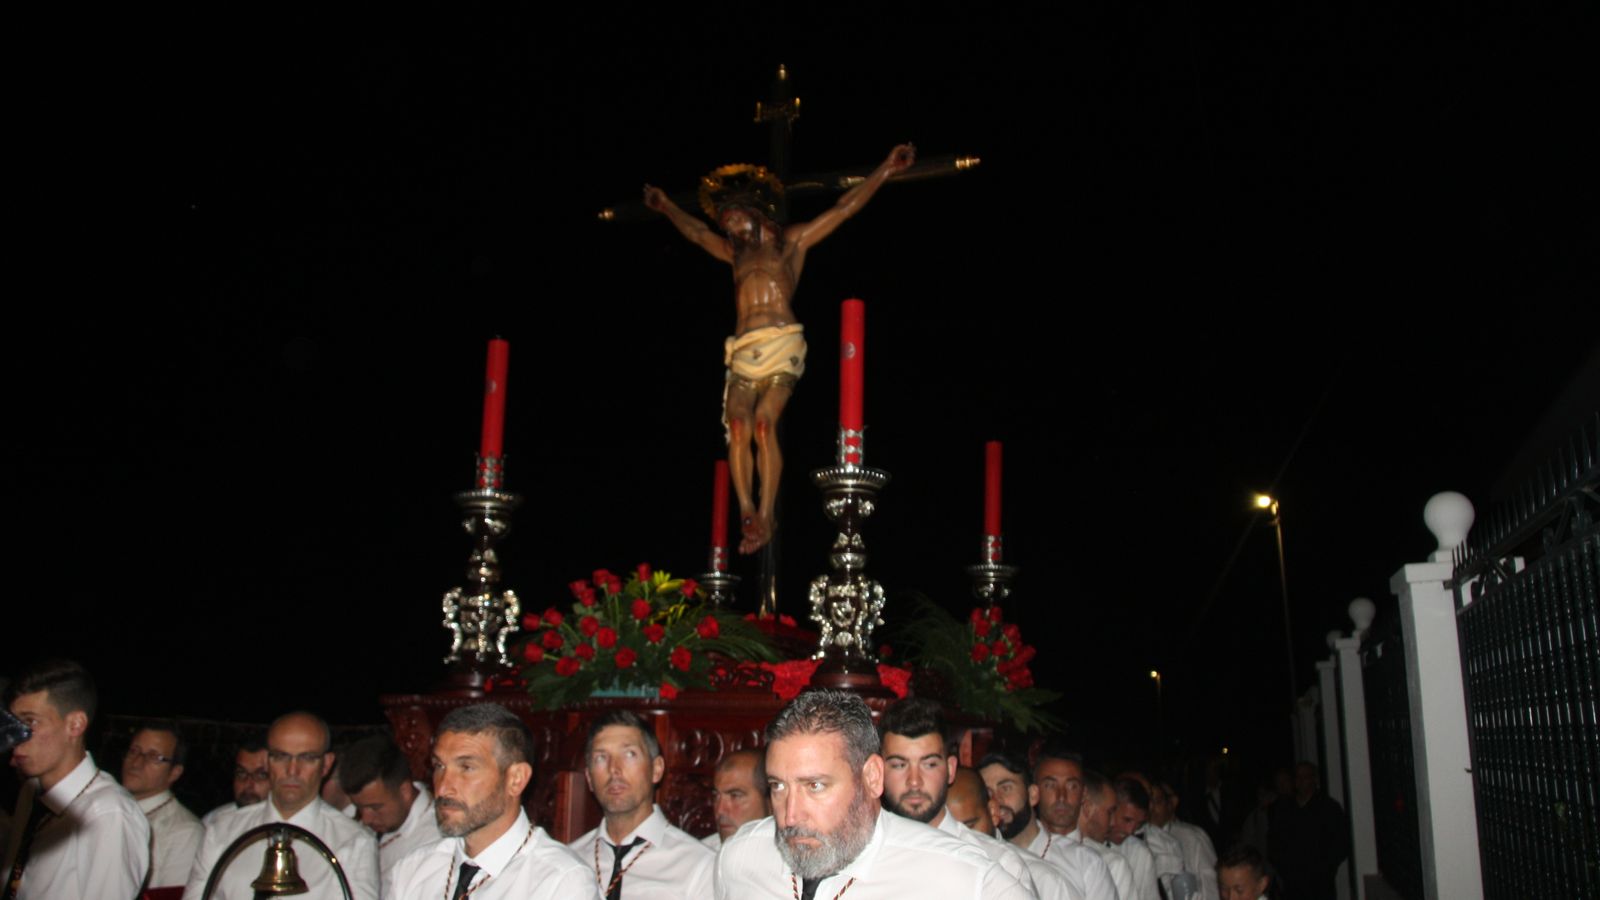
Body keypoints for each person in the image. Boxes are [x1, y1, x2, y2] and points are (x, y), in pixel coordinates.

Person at [643, 142, 916, 554]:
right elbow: (697, 233)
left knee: (763, 424)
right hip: (743, 348)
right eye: (726, 225)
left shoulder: (791, 243)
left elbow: (843, 208)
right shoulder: (733, 255)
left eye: (734, 220)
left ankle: (767, 513)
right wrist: (666, 207)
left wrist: (886, 170)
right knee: (738, 426)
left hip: (781, 342)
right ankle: (747, 510)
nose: (729, 229)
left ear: (754, 215)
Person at [715, 689, 1029, 899]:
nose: (790, 816)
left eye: (815, 786)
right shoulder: (742, 857)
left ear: (872, 777)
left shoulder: (966, 881)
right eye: (778, 786)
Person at [388, 703, 596, 900]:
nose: (443, 788)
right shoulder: (413, 870)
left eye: (467, 768)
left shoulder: (560, 881)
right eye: (439, 766)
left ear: (516, 779)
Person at [186, 711, 378, 900]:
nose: (292, 770)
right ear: (267, 761)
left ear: (326, 764)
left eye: (307, 758)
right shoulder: (222, 831)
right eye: (281, 756)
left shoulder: (353, 842)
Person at [1, 659, 149, 900]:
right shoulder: (31, 791)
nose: (15, 736)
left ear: (75, 725)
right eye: (13, 723)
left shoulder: (108, 815)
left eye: (30, 722)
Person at [877, 698, 1039, 894]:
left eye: (929, 764)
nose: (914, 781)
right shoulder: (863, 859)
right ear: (877, 771)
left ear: (951, 769)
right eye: (899, 765)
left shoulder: (1000, 865)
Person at [567, 710, 714, 899]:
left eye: (629, 754)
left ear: (656, 769)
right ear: (589, 778)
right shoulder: (567, 861)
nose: (614, 769)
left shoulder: (698, 865)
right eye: (601, 757)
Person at [979, 751, 1114, 900]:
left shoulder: (1084, 862)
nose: (995, 800)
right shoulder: (980, 857)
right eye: (987, 793)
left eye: (1006, 788)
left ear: (1032, 795)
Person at [948, 767, 1078, 900]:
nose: (960, 839)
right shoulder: (939, 869)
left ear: (993, 812)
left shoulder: (1045, 882)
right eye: (946, 831)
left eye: (969, 827)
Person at [338, 733, 442, 893]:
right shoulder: (346, 822)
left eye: (375, 808)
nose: (365, 819)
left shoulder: (437, 840)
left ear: (405, 791)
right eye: (359, 807)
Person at [120, 721, 203, 890]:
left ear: (174, 772)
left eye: (153, 757)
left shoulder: (184, 831)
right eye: (134, 751)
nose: (136, 762)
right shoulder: (109, 808)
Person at [1266, 763, 1346, 900]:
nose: (1301, 781)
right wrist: (1285, 869)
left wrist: (1324, 870)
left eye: (1305, 777)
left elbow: (1341, 844)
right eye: (1298, 777)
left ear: (1315, 779)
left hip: (1320, 885)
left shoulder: (1329, 808)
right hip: (1292, 884)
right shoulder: (1284, 809)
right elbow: (1274, 842)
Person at [1149, 780, 1219, 900]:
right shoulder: (1136, 839)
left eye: (1156, 802)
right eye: (1147, 802)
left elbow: (1210, 887)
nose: (1151, 808)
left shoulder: (1192, 837)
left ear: (1171, 803)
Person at [1075, 769, 1137, 900]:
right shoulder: (1113, 863)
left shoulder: (1048, 850)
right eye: (1109, 812)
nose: (1113, 822)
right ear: (1087, 808)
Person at [1102, 778, 1158, 900]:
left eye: (1138, 824)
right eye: (1127, 820)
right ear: (1111, 810)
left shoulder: (1140, 854)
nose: (1130, 830)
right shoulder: (1081, 843)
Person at [703, 749, 769, 851]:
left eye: (735, 796)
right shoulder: (702, 853)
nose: (719, 810)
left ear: (770, 801)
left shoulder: (789, 856)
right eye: (716, 796)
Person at [201, 735, 269, 827]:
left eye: (261, 775)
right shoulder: (214, 821)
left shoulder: (283, 824)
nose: (248, 784)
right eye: (241, 773)